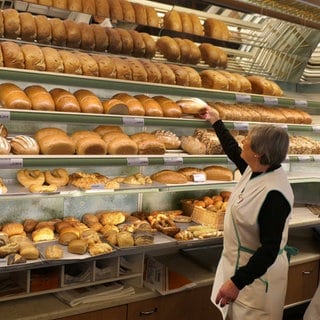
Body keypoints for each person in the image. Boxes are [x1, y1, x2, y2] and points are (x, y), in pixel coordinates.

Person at [199, 106, 294, 320]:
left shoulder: (275, 194)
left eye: (248, 139)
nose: (243, 141)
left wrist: (236, 282)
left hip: (258, 279)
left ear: (258, 153)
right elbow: (234, 150)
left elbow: (269, 249)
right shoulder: (256, 169)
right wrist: (216, 121)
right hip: (241, 269)